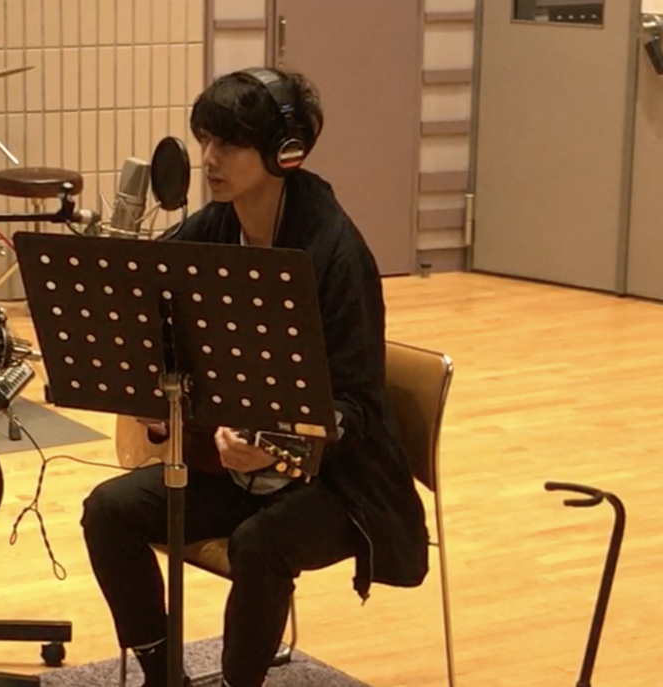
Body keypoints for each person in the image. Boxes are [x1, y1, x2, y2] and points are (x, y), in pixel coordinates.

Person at [80, 67, 429, 687]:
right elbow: (154, 311)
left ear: (283, 152)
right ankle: (164, 674)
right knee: (108, 510)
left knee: (259, 544)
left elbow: (355, 406)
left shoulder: (336, 253)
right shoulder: (215, 225)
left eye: (229, 144)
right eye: (205, 139)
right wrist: (163, 402)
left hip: (337, 484)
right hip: (238, 470)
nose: (209, 159)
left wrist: (278, 441)